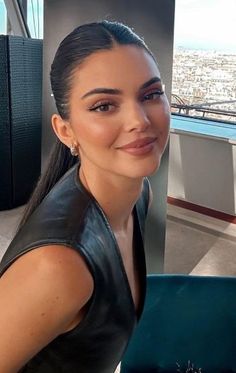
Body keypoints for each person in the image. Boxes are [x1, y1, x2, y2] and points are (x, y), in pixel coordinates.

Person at [0, 20, 170, 373]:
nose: (139, 120)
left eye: (151, 94)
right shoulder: (59, 266)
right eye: (104, 105)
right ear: (65, 131)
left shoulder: (140, 196)